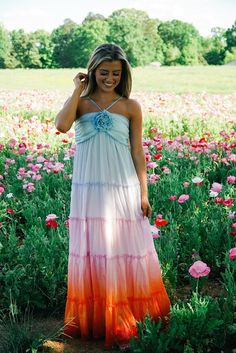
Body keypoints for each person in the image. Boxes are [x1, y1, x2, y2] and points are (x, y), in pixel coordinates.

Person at [55, 43, 170, 350]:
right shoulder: (81, 102)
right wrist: (77, 89)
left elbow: (137, 151)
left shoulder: (131, 106)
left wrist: (144, 193)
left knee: (121, 249)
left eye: (116, 73)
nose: (110, 78)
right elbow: (61, 125)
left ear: (123, 74)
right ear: (92, 70)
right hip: (88, 189)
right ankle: (97, 320)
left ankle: (125, 319)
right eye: (103, 72)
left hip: (122, 186)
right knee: (95, 248)